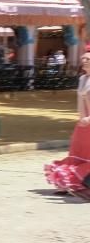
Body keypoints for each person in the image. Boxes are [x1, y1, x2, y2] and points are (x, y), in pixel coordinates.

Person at [44, 51, 90, 198]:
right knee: (77, 153)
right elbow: (80, 102)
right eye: (83, 58)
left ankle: (84, 184)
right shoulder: (83, 79)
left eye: (88, 59)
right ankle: (73, 183)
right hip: (83, 123)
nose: (85, 61)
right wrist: (82, 118)